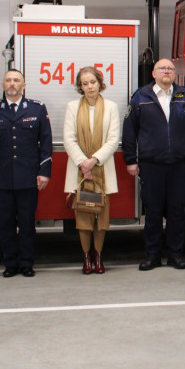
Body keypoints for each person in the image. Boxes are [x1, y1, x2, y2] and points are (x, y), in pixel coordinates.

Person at [123, 59, 185, 270]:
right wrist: (130, 159)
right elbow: (129, 131)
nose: (167, 71)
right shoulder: (140, 97)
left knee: (177, 211)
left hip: (179, 164)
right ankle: (152, 256)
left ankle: (175, 254)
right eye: (162, 68)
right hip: (151, 165)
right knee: (153, 211)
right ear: (154, 73)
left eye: (170, 68)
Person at [0, 69, 52, 278]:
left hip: (28, 177)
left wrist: (44, 172)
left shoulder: (37, 109)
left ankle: (27, 262)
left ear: (24, 85)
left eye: (16, 80)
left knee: (27, 224)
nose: (12, 83)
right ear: (3, 84)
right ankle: (10, 263)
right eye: (8, 80)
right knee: (5, 224)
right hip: (1, 178)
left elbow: (45, 144)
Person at [64, 66, 121, 275]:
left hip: (102, 170)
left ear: (100, 83)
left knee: (101, 217)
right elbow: (68, 139)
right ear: (80, 86)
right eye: (85, 83)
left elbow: (113, 140)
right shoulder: (72, 107)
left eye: (93, 82)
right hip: (79, 170)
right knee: (84, 216)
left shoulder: (111, 107)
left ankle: (98, 256)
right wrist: (83, 163)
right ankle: (86, 257)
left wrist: (94, 161)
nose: (89, 87)